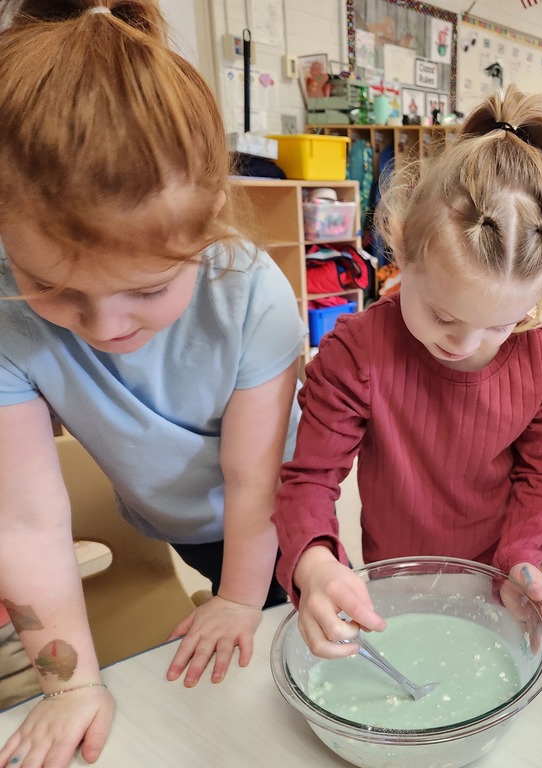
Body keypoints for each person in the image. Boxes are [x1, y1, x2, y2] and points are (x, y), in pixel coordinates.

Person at [0, 0, 305, 764]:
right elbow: (25, 525)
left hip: (274, 518)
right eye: (56, 287)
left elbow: (254, 489)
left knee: (272, 657)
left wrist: (239, 599)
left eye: (146, 288)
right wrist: (69, 686)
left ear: (208, 227)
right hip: (175, 516)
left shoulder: (254, 295)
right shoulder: (5, 305)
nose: (104, 327)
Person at [273, 85, 542, 659]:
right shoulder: (356, 352)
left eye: (502, 324)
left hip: (495, 583)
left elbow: (541, 478)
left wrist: (521, 560)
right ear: (400, 247)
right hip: (394, 582)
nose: (463, 344)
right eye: (442, 314)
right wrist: (315, 563)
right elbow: (309, 480)